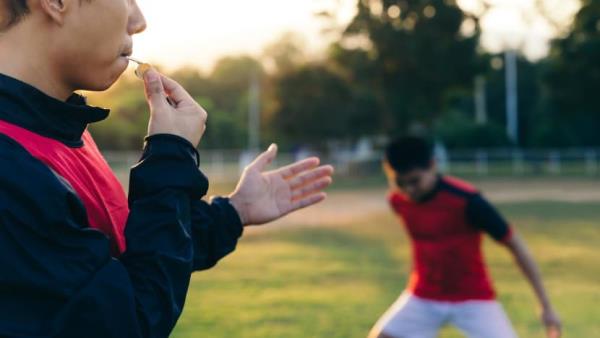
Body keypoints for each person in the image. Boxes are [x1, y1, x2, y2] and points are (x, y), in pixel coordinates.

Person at [0, 1, 333, 337]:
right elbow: (129, 320)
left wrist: (233, 211)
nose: (139, 21)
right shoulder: (8, 168)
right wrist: (170, 157)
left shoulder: (59, 129)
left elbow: (126, 254)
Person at [368, 136, 561, 338]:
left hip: (473, 297)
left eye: (415, 181)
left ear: (432, 165)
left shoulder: (468, 201)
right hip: (423, 295)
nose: (408, 190)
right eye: (399, 182)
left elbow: (515, 244)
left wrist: (546, 306)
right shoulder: (398, 201)